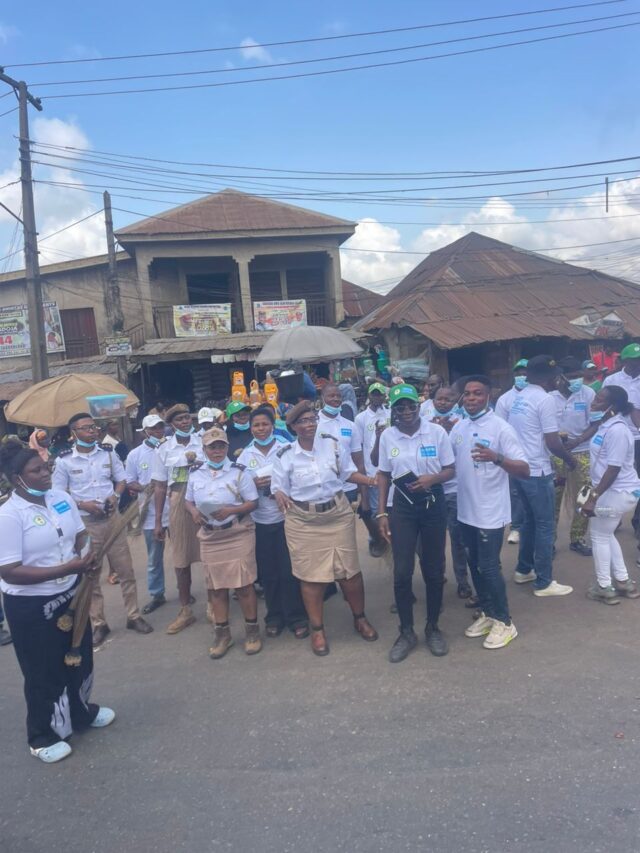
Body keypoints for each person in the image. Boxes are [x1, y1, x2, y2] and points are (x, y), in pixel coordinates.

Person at [0, 437, 114, 764]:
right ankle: (42, 735)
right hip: (32, 606)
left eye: (46, 467)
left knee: (77, 656)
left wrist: (86, 552)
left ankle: (80, 713)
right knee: (43, 670)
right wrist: (68, 567)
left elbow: (80, 534)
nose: (46, 473)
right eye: (36, 470)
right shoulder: (9, 515)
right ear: (16, 478)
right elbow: (9, 571)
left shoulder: (61, 498)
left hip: (71, 594)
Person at [271, 400, 378, 656]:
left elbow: (348, 474)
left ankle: (360, 618)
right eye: (302, 421)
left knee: (349, 572)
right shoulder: (285, 454)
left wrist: (372, 480)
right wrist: (278, 494)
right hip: (303, 522)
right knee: (311, 577)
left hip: (337, 514)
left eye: (311, 420)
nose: (309, 425)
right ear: (293, 426)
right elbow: (278, 486)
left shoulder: (332, 444)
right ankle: (317, 629)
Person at [52, 413, 152, 645]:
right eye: (86, 428)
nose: (92, 431)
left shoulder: (108, 453)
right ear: (74, 433)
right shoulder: (64, 460)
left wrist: (115, 496)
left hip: (112, 519)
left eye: (94, 427)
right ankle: (99, 623)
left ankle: (133, 615)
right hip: (85, 524)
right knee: (91, 574)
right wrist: (81, 504)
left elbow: (122, 479)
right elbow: (58, 494)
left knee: (126, 570)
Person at [376, 383, 455, 663]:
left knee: (434, 570)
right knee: (402, 571)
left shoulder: (435, 432)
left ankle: (433, 626)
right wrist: (381, 512)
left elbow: (450, 469)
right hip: (403, 506)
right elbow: (384, 474)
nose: (406, 411)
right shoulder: (388, 436)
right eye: (400, 407)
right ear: (393, 410)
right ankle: (406, 631)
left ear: (419, 406)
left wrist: (431, 479)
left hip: (433, 501)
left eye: (411, 405)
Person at [451, 376, 530, 649]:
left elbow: (524, 468)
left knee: (489, 567)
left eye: (477, 393)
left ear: (489, 396)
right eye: (467, 394)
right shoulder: (459, 428)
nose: (471, 398)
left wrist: (496, 457)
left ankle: (505, 622)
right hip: (465, 510)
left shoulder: (501, 428)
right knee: (474, 563)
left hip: (490, 512)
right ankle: (487, 612)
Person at [185, 427, 261, 658]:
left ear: (227, 447)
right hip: (210, 537)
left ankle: (252, 632)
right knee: (215, 589)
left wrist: (232, 509)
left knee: (244, 586)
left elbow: (253, 502)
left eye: (220, 446)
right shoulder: (196, 474)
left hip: (237, 533)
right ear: (204, 449)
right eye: (212, 447)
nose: (217, 451)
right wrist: (194, 513)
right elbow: (188, 501)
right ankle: (222, 634)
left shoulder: (239, 472)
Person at [237, 406, 308, 639]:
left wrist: (279, 486)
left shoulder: (285, 449)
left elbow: (298, 477)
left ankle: (296, 617)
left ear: (273, 425)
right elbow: (238, 489)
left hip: (287, 517)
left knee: (289, 571)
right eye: (256, 425)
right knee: (268, 573)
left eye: (265, 424)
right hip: (260, 521)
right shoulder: (245, 456)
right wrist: (253, 486)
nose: (260, 429)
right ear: (251, 427)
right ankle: (274, 616)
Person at [507, 356, 576, 596]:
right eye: (556, 376)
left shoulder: (520, 397)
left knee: (529, 522)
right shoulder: (545, 400)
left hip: (520, 468)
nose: (559, 380)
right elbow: (553, 442)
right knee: (545, 525)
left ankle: (524, 569)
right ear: (548, 378)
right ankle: (544, 582)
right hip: (537, 470)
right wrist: (570, 460)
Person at [577, 386, 640, 603]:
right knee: (607, 533)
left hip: (617, 493)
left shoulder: (618, 431)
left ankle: (604, 586)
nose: (594, 402)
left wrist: (592, 498)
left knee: (599, 536)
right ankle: (623, 582)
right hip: (611, 492)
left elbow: (613, 469)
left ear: (612, 407)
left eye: (600, 400)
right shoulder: (607, 425)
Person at [151, 403, 204, 634]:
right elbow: (160, 487)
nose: (184, 422)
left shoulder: (203, 441)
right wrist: (158, 521)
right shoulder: (163, 449)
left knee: (210, 553)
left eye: (187, 418)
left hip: (204, 495)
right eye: (179, 420)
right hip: (178, 497)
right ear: (171, 425)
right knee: (181, 558)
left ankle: (215, 604)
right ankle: (185, 609)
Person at [428, 385, 472, 598]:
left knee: (458, 539)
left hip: (453, 490)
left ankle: (462, 581)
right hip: (432, 491)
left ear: (456, 401)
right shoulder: (424, 423)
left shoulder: (462, 425)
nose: (443, 402)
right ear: (433, 400)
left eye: (448, 399)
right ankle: (438, 576)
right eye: (439, 398)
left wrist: (447, 431)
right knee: (433, 540)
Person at [550, 356, 595, 557]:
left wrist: (577, 441)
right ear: (561, 377)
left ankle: (577, 538)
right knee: (553, 499)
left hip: (582, 452)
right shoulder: (549, 398)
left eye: (579, 376)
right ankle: (548, 541)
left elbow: (595, 423)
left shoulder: (588, 394)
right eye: (572, 377)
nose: (577, 380)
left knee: (584, 496)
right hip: (555, 455)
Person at [125, 415, 170, 614]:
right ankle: (157, 594)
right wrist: (145, 487)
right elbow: (129, 481)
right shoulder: (135, 455)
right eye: (153, 429)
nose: (158, 431)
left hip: (174, 508)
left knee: (183, 553)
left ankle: (185, 591)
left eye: (160, 427)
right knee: (154, 558)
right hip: (150, 513)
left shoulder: (171, 448)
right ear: (145, 432)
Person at [602, 343, 640, 539]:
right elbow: (603, 405)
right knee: (613, 476)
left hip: (638, 438)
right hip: (615, 436)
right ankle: (613, 517)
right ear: (624, 360)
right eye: (633, 360)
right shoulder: (612, 380)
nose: (637, 363)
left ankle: (638, 523)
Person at [353, 382, 390, 557]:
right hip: (371, 468)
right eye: (374, 394)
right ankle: (375, 539)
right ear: (369, 396)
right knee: (375, 509)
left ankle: (389, 536)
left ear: (384, 396)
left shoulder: (389, 414)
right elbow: (359, 446)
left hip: (389, 466)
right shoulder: (361, 418)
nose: (377, 397)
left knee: (389, 506)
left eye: (379, 394)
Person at [495, 358, 528, 545]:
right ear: (514, 375)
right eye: (519, 373)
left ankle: (529, 526)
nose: (522, 376)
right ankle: (515, 528)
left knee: (534, 491)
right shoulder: (505, 399)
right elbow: (499, 428)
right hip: (513, 455)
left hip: (534, 455)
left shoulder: (539, 396)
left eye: (525, 373)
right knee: (515, 492)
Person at [318, 383, 362, 506]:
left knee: (347, 524)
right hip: (324, 487)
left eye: (338, 396)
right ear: (322, 398)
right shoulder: (315, 424)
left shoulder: (350, 425)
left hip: (348, 488)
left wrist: (361, 486)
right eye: (331, 396)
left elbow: (358, 458)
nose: (335, 399)